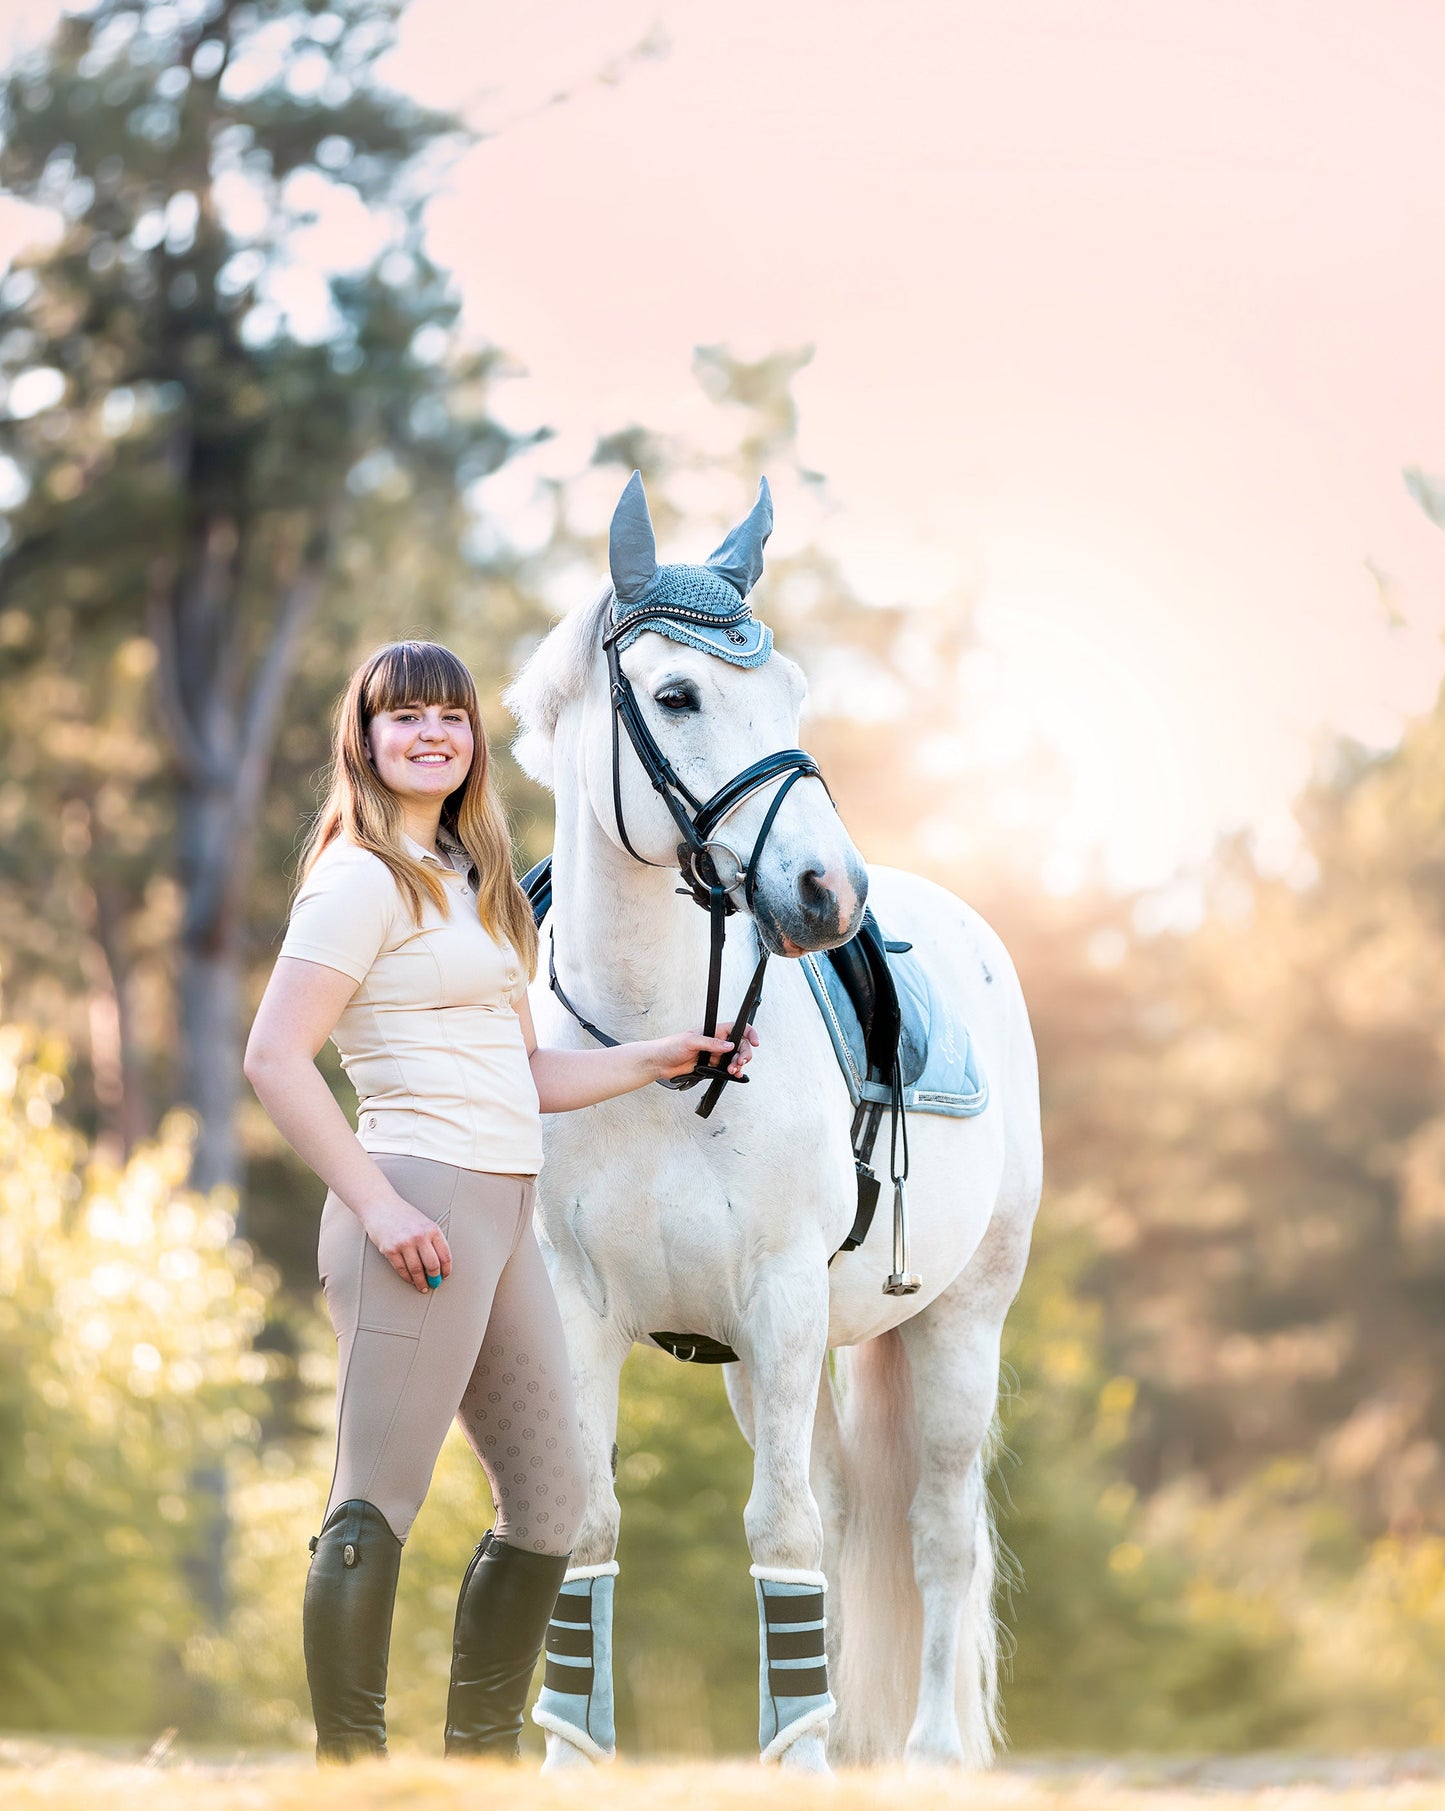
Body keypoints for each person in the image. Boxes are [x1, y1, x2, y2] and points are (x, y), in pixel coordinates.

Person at [244, 639, 754, 1763]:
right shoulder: (358, 879)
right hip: (413, 1204)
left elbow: (524, 1074)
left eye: (452, 716)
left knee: (553, 1499)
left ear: (474, 740)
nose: (431, 733)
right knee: (374, 1501)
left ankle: (479, 1765)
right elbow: (274, 1057)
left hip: (502, 1215)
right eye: (404, 715)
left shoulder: (476, 885)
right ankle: (352, 1772)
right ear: (365, 740)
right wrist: (379, 1209)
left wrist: (658, 1055)